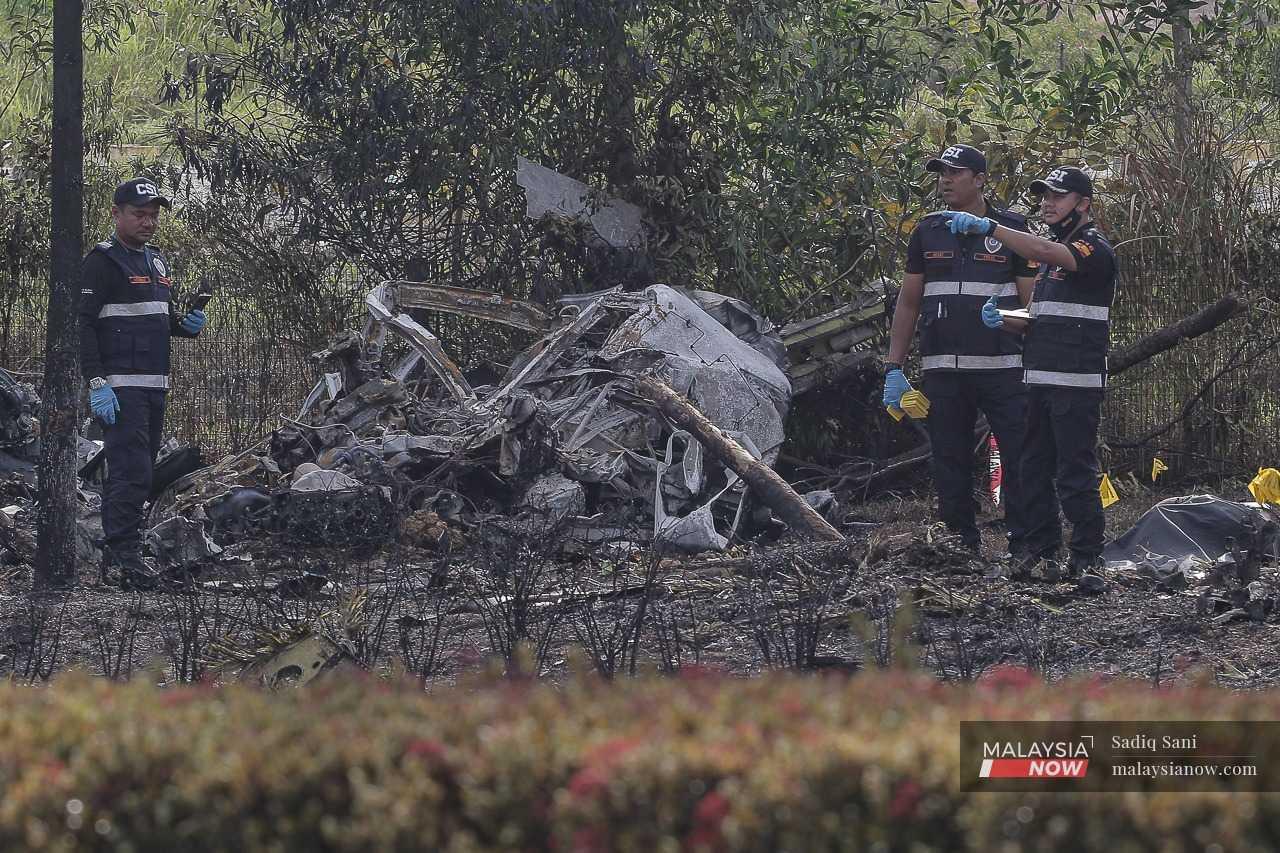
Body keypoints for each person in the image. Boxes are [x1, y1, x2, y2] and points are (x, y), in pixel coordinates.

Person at [943, 166, 1117, 578]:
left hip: (1075, 381)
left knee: (1074, 471)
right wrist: (1004, 318)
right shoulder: (1051, 256)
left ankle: (1087, 557)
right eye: (1044, 197)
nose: (1047, 204)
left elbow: (1047, 252)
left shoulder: (1092, 247)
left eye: (1057, 197)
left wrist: (993, 228)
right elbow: (1040, 317)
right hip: (1038, 377)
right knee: (1031, 467)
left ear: (1084, 204)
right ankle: (1040, 552)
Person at [883, 144, 1038, 555]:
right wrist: (893, 367)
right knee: (948, 461)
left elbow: (1033, 306)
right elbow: (909, 301)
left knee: (1020, 458)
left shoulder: (1011, 229)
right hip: (942, 370)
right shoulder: (927, 230)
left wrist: (1010, 320)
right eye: (940, 173)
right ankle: (960, 546)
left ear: (981, 179)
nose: (944, 180)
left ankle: (1026, 546)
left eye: (955, 173)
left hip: (1003, 368)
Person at [80, 178, 207, 589]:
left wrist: (183, 326)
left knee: (142, 469)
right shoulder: (102, 262)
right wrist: (96, 382)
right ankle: (124, 559)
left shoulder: (155, 262)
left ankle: (128, 551)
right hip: (120, 388)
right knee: (130, 471)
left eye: (153, 215)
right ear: (116, 214)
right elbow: (81, 323)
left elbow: (153, 317)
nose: (147, 222)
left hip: (155, 385)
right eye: (139, 214)